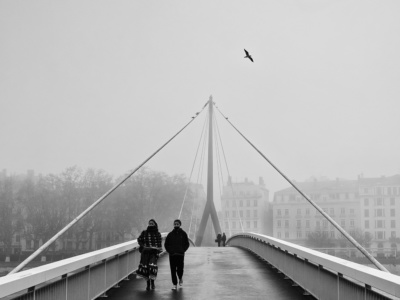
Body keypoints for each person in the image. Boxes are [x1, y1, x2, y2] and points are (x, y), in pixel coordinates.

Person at [136, 219, 163, 291]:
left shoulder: (158, 234)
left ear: (155, 224)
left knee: (152, 267)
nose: (150, 224)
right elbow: (139, 239)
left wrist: (157, 252)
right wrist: (143, 246)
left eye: (152, 223)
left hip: (153, 253)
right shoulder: (144, 232)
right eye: (149, 223)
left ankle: (152, 283)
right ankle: (148, 284)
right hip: (145, 253)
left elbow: (159, 245)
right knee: (146, 268)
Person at [164, 219, 190, 290]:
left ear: (180, 225)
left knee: (180, 269)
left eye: (177, 224)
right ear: (173, 225)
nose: (176, 225)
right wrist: (170, 251)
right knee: (173, 270)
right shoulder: (170, 234)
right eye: (175, 224)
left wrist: (183, 250)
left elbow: (187, 243)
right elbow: (166, 244)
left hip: (180, 255)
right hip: (172, 255)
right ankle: (174, 284)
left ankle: (180, 277)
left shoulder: (183, 234)